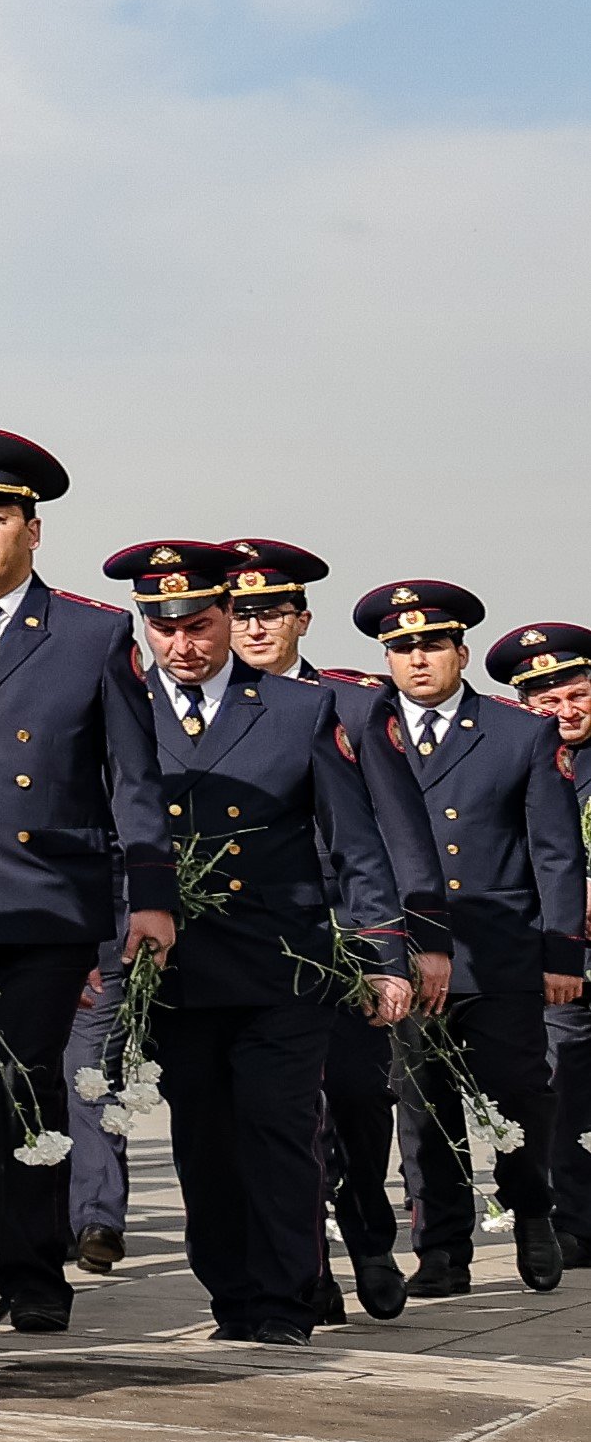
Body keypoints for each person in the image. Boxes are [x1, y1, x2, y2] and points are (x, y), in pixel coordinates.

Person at [109, 540, 420, 1342]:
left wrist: (385, 954)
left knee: (280, 1135)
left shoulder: (299, 710)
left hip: (285, 968)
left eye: (200, 624)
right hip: (178, 974)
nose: (183, 644)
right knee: (204, 1143)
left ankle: (285, 1301)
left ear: (227, 617)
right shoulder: (124, 708)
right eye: (162, 626)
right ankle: (234, 1297)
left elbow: (356, 846)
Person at [0, 425, 166, 1331]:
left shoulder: (93, 635)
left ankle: (30, 1269)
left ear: (32, 530)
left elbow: (133, 779)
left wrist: (152, 897)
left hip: (45, 899)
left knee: (16, 1084)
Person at [230, 541, 443, 1318]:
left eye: (271, 613)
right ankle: (307, 1270)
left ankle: (370, 1238)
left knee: (356, 1098)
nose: (255, 628)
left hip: (350, 935)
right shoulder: (212, 704)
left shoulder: (355, 704)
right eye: (242, 613)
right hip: (259, 942)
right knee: (289, 1114)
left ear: (302, 619)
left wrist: (421, 941)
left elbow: (403, 831)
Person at [350, 579, 571, 1296]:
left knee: (517, 1095)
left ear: (461, 651)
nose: (417, 660)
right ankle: (442, 1250)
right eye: (401, 648)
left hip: (497, 949)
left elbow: (555, 852)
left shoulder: (518, 731)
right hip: (404, 953)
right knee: (423, 1105)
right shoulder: (359, 729)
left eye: (431, 645)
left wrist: (563, 952)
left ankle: (531, 1212)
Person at [491, 619, 591, 1258]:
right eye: (545, 702)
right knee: (559, 1091)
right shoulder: (521, 762)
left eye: (576, 693)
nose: (564, 710)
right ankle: (575, 1223)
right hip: (562, 961)